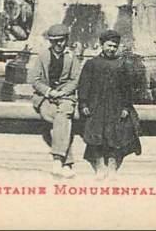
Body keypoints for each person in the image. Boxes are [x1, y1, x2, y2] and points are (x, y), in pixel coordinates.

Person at [78, 28, 141, 180]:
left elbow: (127, 89)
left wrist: (126, 107)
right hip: (96, 106)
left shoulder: (122, 65)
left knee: (115, 136)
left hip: (115, 106)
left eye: (114, 46)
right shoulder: (92, 64)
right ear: (102, 45)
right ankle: (100, 167)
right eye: (109, 45)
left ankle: (112, 167)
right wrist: (84, 104)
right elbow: (84, 85)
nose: (111, 49)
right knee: (96, 136)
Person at [29, 23, 81, 178]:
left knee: (63, 114)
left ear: (66, 39)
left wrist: (63, 92)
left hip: (66, 96)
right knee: (52, 117)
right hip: (46, 96)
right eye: (54, 41)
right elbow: (35, 79)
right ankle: (67, 162)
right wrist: (49, 92)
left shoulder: (72, 57)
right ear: (50, 42)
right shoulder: (43, 56)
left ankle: (58, 159)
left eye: (61, 40)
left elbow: (75, 80)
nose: (58, 44)